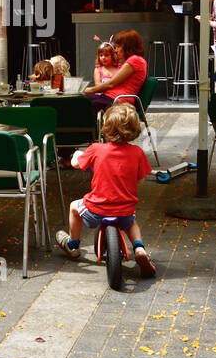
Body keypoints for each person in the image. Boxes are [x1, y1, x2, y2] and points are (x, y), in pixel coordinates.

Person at [54, 104, 156, 277]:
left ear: (106, 128)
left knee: (73, 207)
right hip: (125, 210)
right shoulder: (137, 153)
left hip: (96, 209)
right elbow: (140, 179)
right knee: (132, 222)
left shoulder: (96, 149)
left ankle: (72, 245)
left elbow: (76, 164)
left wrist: (76, 155)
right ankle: (139, 248)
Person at [83, 29, 146, 112]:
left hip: (117, 100)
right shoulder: (135, 60)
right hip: (111, 97)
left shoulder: (135, 60)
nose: (115, 50)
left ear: (127, 47)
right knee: (80, 101)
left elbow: (111, 84)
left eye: (118, 47)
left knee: (80, 102)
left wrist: (86, 90)